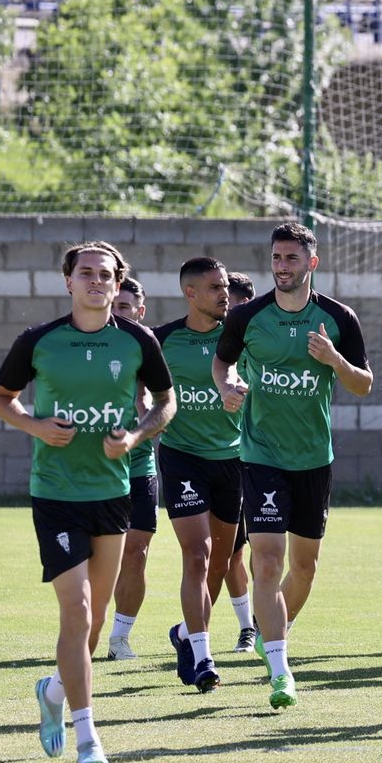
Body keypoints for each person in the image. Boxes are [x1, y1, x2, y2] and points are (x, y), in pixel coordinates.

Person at [0, 241, 175, 763]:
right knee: (77, 609)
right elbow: (2, 398)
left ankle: (52, 693)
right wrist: (35, 426)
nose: (97, 282)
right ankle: (88, 736)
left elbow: (166, 403)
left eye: (107, 276)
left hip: (113, 491)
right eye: (87, 274)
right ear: (67, 281)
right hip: (55, 494)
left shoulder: (138, 340)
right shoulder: (38, 341)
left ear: (119, 285)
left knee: (91, 625)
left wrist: (136, 437)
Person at [213, 222, 372, 710]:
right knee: (266, 560)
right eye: (277, 258)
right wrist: (228, 386)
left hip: (313, 460)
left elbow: (363, 384)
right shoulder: (247, 316)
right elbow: (223, 364)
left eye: (291, 259)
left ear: (312, 263)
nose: (282, 267)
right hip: (261, 455)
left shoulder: (339, 318)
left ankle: (271, 633)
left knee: (304, 567)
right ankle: (280, 670)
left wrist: (333, 359)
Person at [152, 257, 244, 693]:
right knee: (197, 554)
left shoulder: (241, 337)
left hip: (234, 459)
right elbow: (137, 389)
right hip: (183, 456)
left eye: (225, 286)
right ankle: (204, 658)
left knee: (221, 564)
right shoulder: (163, 339)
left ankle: (186, 635)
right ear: (190, 293)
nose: (224, 294)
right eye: (214, 287)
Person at [103, 277, 160, 660]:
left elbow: (165, 399)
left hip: (139, 462)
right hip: (96, 465)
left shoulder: (149, 347)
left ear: (139, 312)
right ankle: (85, 626)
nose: (117, 314)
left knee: (136, 551)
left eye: (125, 308)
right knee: (99, 556)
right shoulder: (86, 344)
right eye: (114, 306)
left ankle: (120, 637)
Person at [222, 271, 256, 651]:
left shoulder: (262, 342)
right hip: (221, 459)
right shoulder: (218, 348)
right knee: (231, 548)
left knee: (262, 547)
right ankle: (248, 626)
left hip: (261, 457)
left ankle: (260, 623)